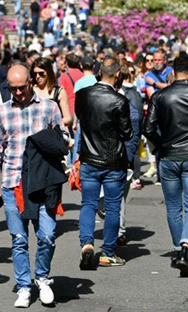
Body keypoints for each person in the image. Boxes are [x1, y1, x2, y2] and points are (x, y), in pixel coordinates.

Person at [0, 63, 68, 308]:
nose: (18, 93)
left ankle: (42, 278)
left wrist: (51, 141)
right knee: (19, 238)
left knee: (47, 235)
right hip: (13, 182)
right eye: (13, 89)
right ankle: (23, 286)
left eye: (22, 87)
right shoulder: (2, 111)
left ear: (31, 82)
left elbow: (64, 137)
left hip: (44, 182)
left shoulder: (49, 107)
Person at [143, 53, 188, 278]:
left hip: (168, 156)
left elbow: (148, 128)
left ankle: (179, 249)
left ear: (173, 73)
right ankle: (186, 247)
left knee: (173, 207)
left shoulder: (160, 95)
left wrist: (160, 144)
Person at [76, 59, 132, 269]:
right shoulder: (119, 100)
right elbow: (127, 133)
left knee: (88, 204)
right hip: (112, 160)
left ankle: (86, 244)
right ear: (117, 74)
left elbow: (81, 118)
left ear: (99, 73)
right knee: (112, 207)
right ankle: (108, 252)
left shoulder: (83, 94)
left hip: (89, 158)